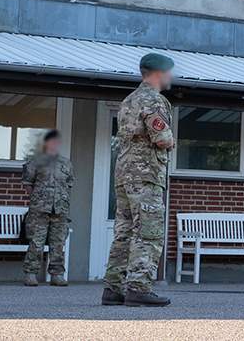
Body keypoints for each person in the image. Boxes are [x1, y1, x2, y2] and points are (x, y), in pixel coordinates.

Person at [102, 53, 178, 306]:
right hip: (146, 176)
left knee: (123, 232)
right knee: (148, 232)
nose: (171, 76)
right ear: (159, 73)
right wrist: (172, 141)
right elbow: (162, 138)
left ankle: (113, 289)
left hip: (124, 175)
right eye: (169, 71)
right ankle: (138, 288)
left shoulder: (128, 100)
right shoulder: (154, 101)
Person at [21, 129, 74, 287]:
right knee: (36, 243)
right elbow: (28, 184)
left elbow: (69, 184)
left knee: (58, 244)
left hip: (60, 210)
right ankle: (30, 273)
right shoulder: (35, 162)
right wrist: (39, 199)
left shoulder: (66, 163)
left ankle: (57, 275)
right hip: (40, 210)